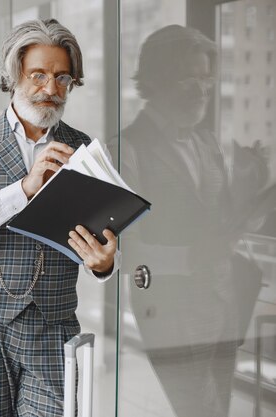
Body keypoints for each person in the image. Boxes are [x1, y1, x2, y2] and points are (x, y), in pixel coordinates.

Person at [0, 19, 120, 417]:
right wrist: (23, 190)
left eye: (62, 78)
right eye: (38, 75)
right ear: (15, 74)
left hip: (53, 327)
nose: (51, 89)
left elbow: (100, 236)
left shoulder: (83, 149)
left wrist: (104, 265)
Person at [109, 25, 271, 417]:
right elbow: (124, 250)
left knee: (219, 408)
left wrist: (253, 185)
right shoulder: (125, 149)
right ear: (156, 79)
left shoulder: (208, 142)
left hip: (222, 302)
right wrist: (190, 258)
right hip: (169, 312)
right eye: (188, 78)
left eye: (205, 78)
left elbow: (226, 220)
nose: (201, 89)